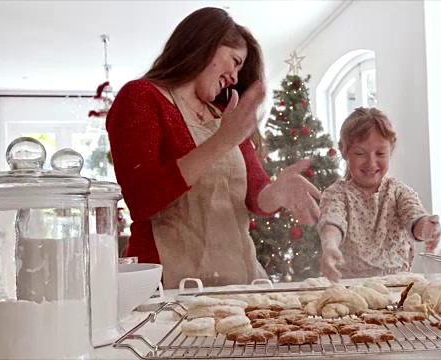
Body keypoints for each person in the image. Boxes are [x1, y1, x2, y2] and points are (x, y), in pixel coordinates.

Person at [106, 7, 320, 288]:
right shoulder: (141, 97)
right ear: (206, 44)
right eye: (234, 61)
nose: (234, 77)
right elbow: (142, 199)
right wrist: (221, 142)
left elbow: (256, 196)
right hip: (167, 287)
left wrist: (278, 191)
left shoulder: (224, 115)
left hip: (238, 283)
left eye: (241, 69)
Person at [318, 107, 441, 281]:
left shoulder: (399, 192)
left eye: (380, 153)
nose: (371, 162)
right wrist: (330, 246)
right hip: (351, 288)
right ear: (344, 150)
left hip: (398, 285)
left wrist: (428, 228)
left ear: (391, 150)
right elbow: (332, 221)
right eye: (360, 153)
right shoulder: (337, 194)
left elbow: (414, 217)